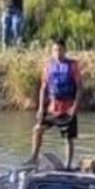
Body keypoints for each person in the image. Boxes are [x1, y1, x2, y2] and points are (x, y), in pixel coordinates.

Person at [25, 38, 82, 170]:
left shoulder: (72, 65)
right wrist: (40, 108)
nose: (58, 53)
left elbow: (80, 87)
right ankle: (34, 158)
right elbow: (43, 87)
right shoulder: (48, 66)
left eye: (60, 50)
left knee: (68, 138)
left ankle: (68, 165)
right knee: (37, 129)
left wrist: (75, 106)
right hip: (52, 108)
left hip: (68, 108)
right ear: (52, 51)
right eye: (55, 50)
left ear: (65, 50)